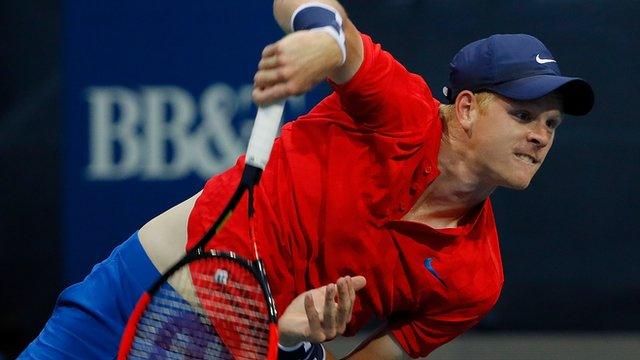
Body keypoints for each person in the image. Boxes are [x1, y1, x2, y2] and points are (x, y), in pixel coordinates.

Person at [21, 0, 594, 359]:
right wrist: (323, 38)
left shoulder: (474, 280)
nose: (541, 135)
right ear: (465, 107)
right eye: (522, 115)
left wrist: (294, 338)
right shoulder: (401, 112)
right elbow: (313, 11)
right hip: (145, 288)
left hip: (258, 350)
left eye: (550, 123)